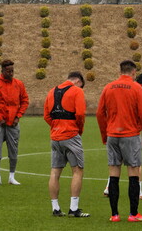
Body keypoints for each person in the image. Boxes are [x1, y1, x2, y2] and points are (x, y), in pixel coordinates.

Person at [97, 60, 142, 222]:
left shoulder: (108, 87)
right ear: (134, 72)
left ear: (120, 71)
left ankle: (114, 215)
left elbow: (100, 113)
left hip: (113, 135)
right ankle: (133, 214)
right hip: (130, 135)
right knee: (133, 174)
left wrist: (104, 135)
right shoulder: (137, 88)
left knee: (114, 174)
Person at [44, 71, 90, 218]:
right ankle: (73, 208)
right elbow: (80, 114)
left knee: (55, 172)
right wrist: (78, 130)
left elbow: (46, 115)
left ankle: (55, 208)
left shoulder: (51, 91)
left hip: (55, 136)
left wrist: (56, 125)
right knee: (77, 171)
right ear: (78, 81)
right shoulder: (77, 91)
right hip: (70, 135)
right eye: (82, 86)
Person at [104, 72, 142, 198]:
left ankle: (108, 188)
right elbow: (141, 114)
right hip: (131, 131)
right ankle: (138, 192)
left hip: (115, 130)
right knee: (136, 164)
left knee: (116, 164)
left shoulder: (119, 89)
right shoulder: (140, 91)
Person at [0, 59, 30, 186]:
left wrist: (18, 117)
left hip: (13, 123)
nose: (11, 73)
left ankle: (11, 176)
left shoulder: (19, 84)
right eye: (8, 71)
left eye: (12, 71)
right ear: (2, 71)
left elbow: (25, 101)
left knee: (13, 150)